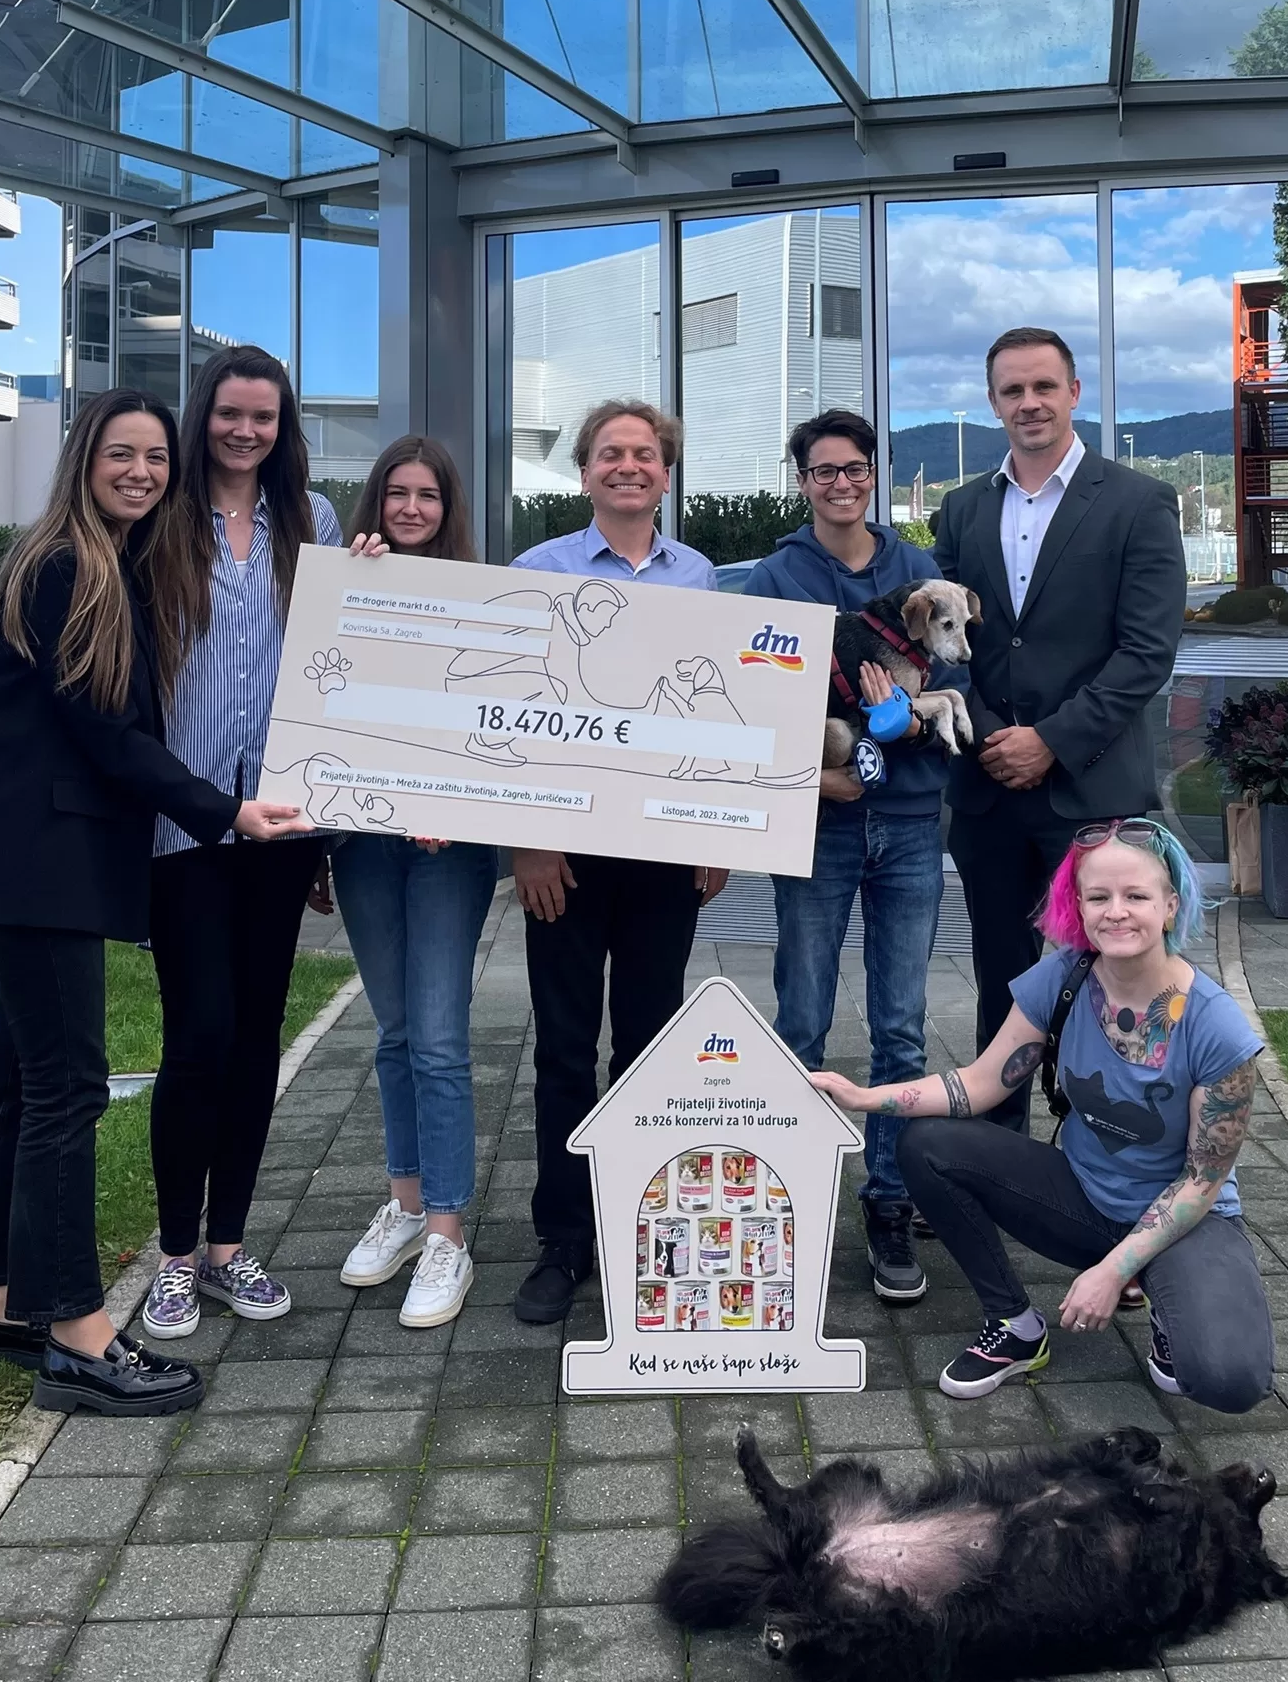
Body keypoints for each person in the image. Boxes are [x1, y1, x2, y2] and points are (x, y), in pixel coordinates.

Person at [0, 390, 307, 1416]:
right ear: (83, 460)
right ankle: (78, 1336)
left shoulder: (97, 559)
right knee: (67, 1092)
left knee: (15, 1082)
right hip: (40, 865)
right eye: (120, 454)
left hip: (32, 864)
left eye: (154, 458)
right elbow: (108, 733)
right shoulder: (64, 566)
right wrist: (225, 812)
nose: (140, 472)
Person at [811, 818, 1274, 1412]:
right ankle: (1014, 1325)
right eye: (1098, 897)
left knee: (1228, 1379)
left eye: (1136, 896)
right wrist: (864, 1097)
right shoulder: (1065, 978)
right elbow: (980, 1084)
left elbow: (1201, 1183)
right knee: (926, 1145)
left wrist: (1113, 1271)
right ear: (1077, 906)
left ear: (1170, 906)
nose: (1116, 912)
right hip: (1082, 1198)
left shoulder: (1217, 1028)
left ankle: (1166, 1301)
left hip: (1184, 1219)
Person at [508, 399, 728, 1324]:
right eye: (610, 453)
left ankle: (641, 1224)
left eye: (645, 454)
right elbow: (513, 715)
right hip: (563, 857)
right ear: (586, 472)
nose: (628, 465)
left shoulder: (701, 577)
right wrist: (528, 841)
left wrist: (717, 831)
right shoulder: (536, 572)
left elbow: (715, 711)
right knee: (564, 1050)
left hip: (663, 854)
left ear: (665, 475)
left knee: (648, 1043)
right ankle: (564, 1239)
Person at [139, 346, 343, 1342]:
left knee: (258, 1034)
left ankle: (227, 1247)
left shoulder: (314, 524)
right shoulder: (160, 521)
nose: (246, 431)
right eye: (231, 413)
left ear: (282, 426)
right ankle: (175, 1257)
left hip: (283, 821)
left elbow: (343, 650)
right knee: (200, 1034)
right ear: (203, 415)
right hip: (184, 819)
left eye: (264, 417)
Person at [935, 327, 1186, 1128]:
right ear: (993, 402)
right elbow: (944, 645)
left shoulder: (1139, 502)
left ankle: (1108, 1154)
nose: (1030, 402)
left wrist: (1050, 741)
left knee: (1114, 984)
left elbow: (1146, 654)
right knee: (1002, 985)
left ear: (1074, 393)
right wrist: (988, 738)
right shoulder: (962, 509)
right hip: (988, 793)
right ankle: (995, 1154)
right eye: (1012, 390)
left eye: (1044, 386)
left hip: (1091, 790)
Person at [745, 408, 948, 1305]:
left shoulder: (918, 571)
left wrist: (913, 722)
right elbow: (747, 696)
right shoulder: (776, 576)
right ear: (802, 482)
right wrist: (815, 775)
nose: (841, 483)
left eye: (855, 468)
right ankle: (784, 1202)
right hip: (817, 827)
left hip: (909, 823)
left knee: (902, 1026)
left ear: (873, 474)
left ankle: (890, 1202)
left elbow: (958, 673)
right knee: (802, 1022)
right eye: (824, 470)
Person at [331, 437, 499, 1328]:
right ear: (376, 501)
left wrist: (452, 800)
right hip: (363, 841)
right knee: (393, 1033)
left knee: (437, 1039)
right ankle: (403, 1206)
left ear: (448, 508)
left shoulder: (484, 601)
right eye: (396, 492)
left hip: (449, 850)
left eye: (427, 495)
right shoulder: (343, 585)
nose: (410, 508)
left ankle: (447, 1234)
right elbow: (318, 700)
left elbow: (499, 728)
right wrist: (351, 589)